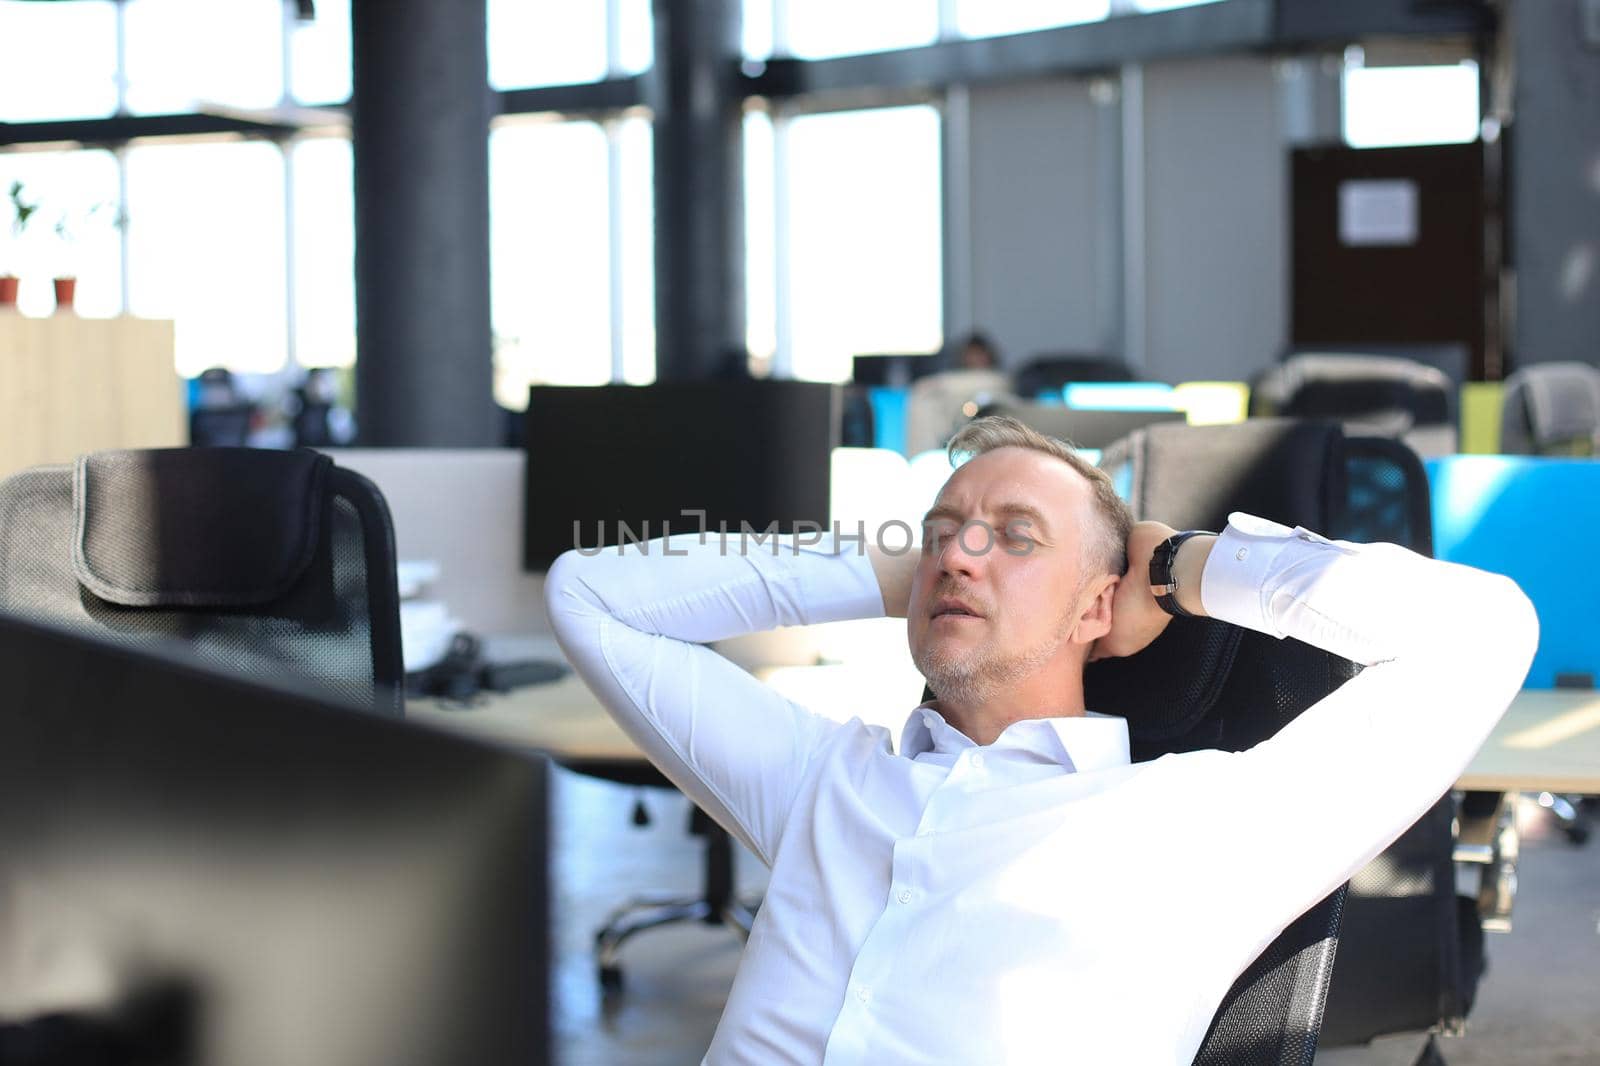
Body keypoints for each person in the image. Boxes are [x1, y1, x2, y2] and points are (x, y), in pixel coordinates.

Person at [544, 415, 1536, 1065]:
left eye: (1017, 537)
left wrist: (1185, 567)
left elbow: (1486, 631)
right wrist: (902, 567)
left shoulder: (1198, 823)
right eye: (941, 533)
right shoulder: (821, 781)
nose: (962, 554)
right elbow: (589, 597)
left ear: (1095, 607)